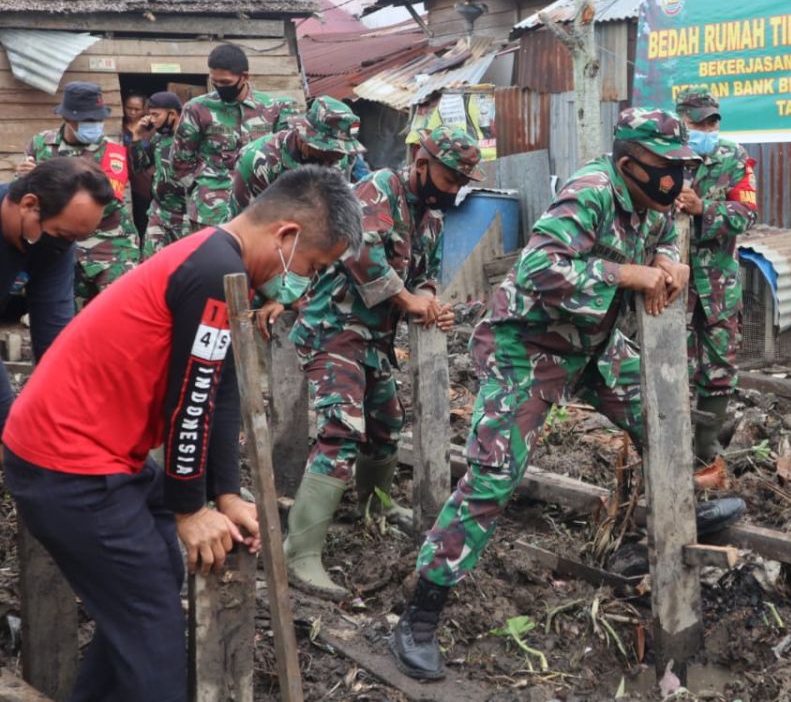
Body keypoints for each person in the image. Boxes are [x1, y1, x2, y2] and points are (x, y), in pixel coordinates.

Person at [390, 109, 745, 680]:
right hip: (528, 345)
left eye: (684, 168)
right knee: (494, 475)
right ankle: (421, 613)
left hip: (594, 344)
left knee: (663, 421)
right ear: (630, 164)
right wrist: (626, 275)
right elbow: (539, 269)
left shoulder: (648, 202)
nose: (677, 180)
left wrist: (666, 261)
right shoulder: (593, 192)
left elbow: (658, 247)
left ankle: (679, 514)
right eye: (667, 168)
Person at [2, 166, 362, 702]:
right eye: (313, 265)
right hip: (68, 464)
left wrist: (225, 494)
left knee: (150, 590)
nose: (304, 281)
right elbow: (189, 403)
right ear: (286, 236)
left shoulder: (221, 260)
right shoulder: (214, 269)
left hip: (96, 457)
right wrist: (190, 511)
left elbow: (222, 385)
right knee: (153, 627)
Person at [280, 125, 479, 600]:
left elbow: (427, 274)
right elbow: (360, 252)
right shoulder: (379, 188)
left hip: (372, 338)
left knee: (387, 422)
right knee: (342, 427)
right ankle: (300, 554)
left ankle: (374, 504)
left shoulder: (431, 218)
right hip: (334, 328)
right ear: (422, 162)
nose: (453, 189)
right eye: (448, 178)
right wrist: (406, 298)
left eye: (460, 182)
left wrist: (430, 300)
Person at [673, 87, 758, 460]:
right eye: (698, 122)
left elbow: (746, 214)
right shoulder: (663, 156)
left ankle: (705, 446)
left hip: (719, 286)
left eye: (712, 121)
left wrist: (702, 208)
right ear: (681, 121)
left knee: (720, 366)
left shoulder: (733, 158)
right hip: (671, 285)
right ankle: (668, 444)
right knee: (671, 363)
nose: (706, 128)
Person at [0, 157, 111, 428]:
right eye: (62, 235)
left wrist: (68, 421)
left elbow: (54, 331)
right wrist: (8, 425)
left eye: (75, 239)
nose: (65, 246)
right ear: (28, 204)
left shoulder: (54, 242)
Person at [25, 82, 140, 308]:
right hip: (60, 248)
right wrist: (28, 178)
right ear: (67, 118)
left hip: (111, 248)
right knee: (68, 320)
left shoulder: (112, 151)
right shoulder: (41, 144)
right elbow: (26, 197)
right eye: (88, 121)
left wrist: (45, 181)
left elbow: (105, 201)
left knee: (120, 310)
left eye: (98, 120)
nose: (95, 126)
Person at [171, 43, 297, 239]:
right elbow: (180, 159)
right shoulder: (197, 109)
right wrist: (200, 187)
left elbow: (286, 157)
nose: (220, 87)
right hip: (211, 212)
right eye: (215, 82)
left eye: (226, 82)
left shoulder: (273, 109)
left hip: (260, 210)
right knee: (212, 267)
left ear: (245, 77)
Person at [231, 95, 366, 214]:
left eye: (341, 152)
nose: (335, 159)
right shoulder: (257, 161)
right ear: (303, 137)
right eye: (328, 150)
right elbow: (242, 224)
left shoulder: (338, 157)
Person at [131, 91, 183, 248]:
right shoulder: (158, 138)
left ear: (172, 114)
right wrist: (137, 137)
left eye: (155, 115)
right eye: (150, 115)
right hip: (160, 213)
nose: (151, 120)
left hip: (187, 216)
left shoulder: (191, 137)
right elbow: (140, 166)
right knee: (151, 262)